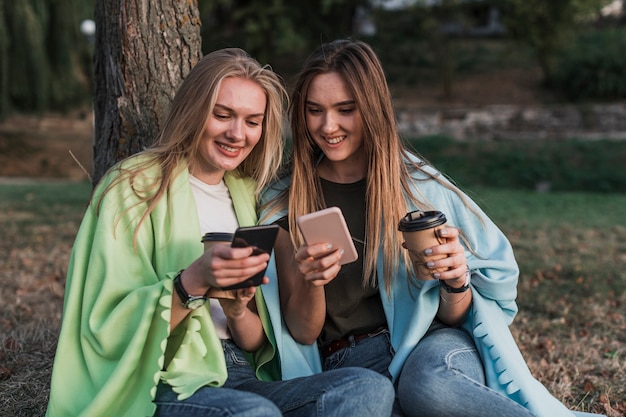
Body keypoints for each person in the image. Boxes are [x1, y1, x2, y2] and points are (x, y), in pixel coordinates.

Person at [45, 47, 395, 417]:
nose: (236, 133)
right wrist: (192, 281)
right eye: (222, 115)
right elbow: (104, 327)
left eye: (252, 121)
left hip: (242, 373)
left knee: (365, 388)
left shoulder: (252, 198)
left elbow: (265, 340)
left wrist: (240, 308)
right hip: (167, 378)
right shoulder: (133, 188)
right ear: (194, 110)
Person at [259, 39, 589, 417]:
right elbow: (301, 333)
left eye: (345, 109)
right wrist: (312, 281)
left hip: (431, 348)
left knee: (430, 388)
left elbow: (460, 311)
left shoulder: (418, 187)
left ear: (371, 108)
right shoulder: (283, 203)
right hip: (349, 366)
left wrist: (455, 281)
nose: (327, 126)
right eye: (314, 110)